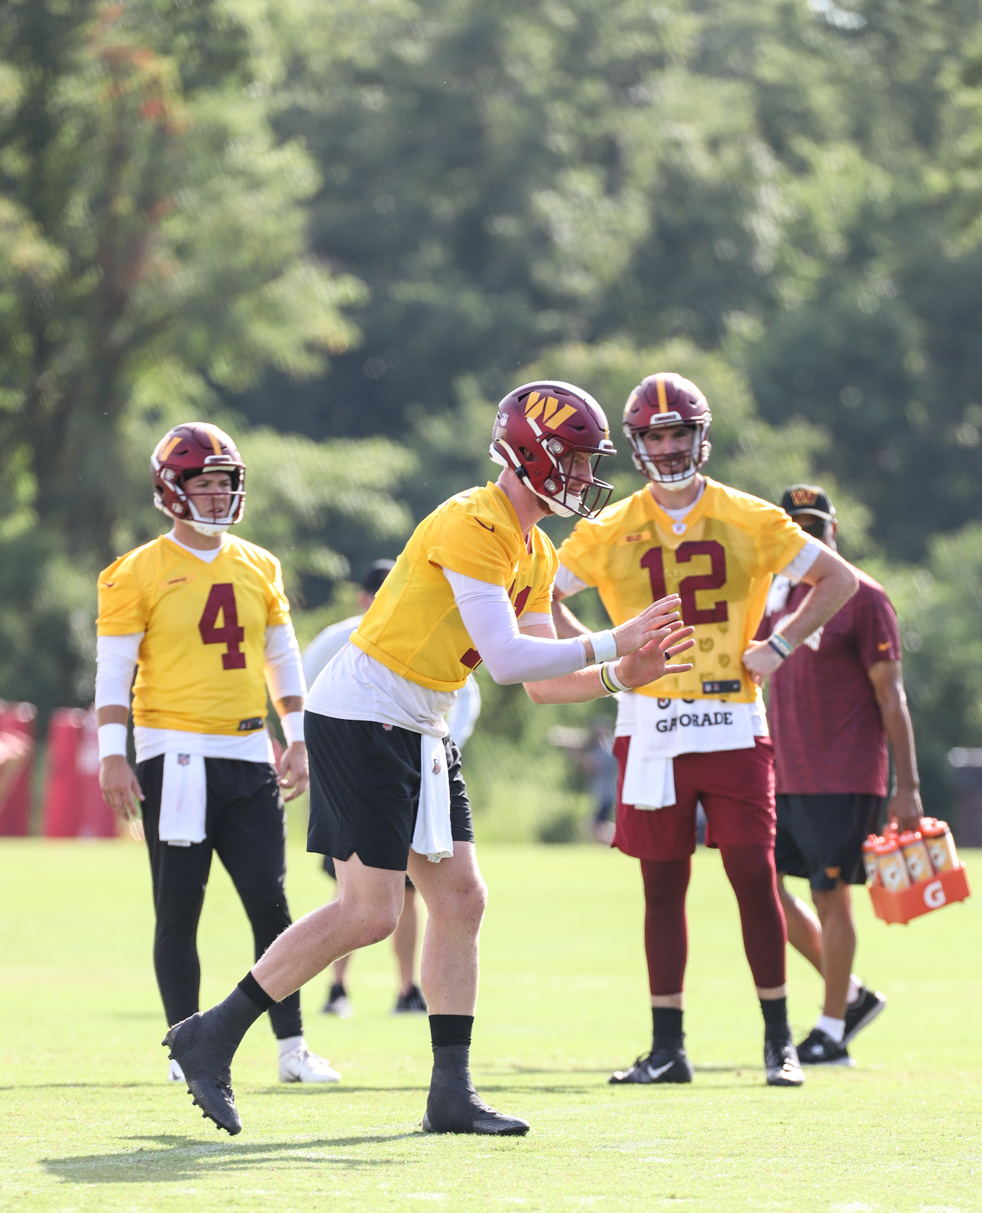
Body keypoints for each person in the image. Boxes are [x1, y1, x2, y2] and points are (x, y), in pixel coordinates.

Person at [163, 380, 695, 1137]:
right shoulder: (472, 521)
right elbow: (509, 660)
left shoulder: (535, 547)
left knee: (460, 900)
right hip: (366, 713)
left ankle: (450, 1092)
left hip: (420, 721)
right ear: (532, 454)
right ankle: (213, 1032)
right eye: (573, 460)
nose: (583, 476)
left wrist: (616, 677)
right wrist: (618, 639)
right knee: (369, 912)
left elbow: (541, 681)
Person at [552, 373, 859, 1088]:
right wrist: (602, 652)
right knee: (662, 884)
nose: (668, 447)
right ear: (636, 444)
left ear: (701, 435)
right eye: (655, 436)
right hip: (651, 724)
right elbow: (530, 592)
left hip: (730, 717)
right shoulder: (607, 527)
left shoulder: (750, 516)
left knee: (755, 876)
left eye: (678, 433)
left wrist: (776, 647)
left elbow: (837, 580)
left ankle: (779, 1040)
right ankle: (668, 1048)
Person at [96, 423, 339, 1088]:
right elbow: (113, 672)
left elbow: (282, 655)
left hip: (245, 750)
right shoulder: (134, 572)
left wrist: (298, 735)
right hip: (172, 752)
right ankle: (185, 1046)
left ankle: (292, 1048)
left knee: (271, 901)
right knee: (180, 906)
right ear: (171, 490)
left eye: (223, 482)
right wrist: (110, 754)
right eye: (202, 483)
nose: (215, 494)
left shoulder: (260, 564)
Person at [758, 484, 922, 1066]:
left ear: (833, 533)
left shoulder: (863, 596)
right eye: (793, 527)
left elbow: (891, 695)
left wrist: (908, 787)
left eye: (814, 527)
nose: (804, 536)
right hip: (785, 770)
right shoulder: (777, 600)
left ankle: (830, 1031)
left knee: (830, 893)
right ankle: (849, 996)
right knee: (762, 888)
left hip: (844, 771)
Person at [302, 559, 480, 1016]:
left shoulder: (426, 632)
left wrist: (440, 752)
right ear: (365, 599)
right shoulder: (341, 638)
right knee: (356, 896)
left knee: (409, 892)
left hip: (419, 768)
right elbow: (308, 689)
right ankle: (338, 988)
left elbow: (462, 698)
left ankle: (407, 989)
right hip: (355, 769)